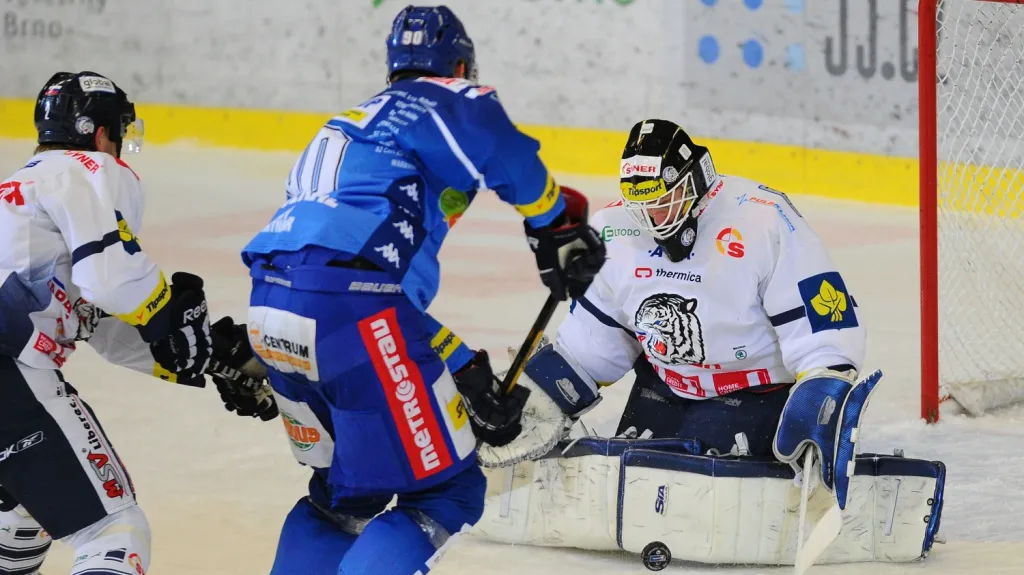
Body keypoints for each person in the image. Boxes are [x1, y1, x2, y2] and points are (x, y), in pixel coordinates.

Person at [474, 119, 945, 568]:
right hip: (665, 385)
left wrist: (821, 393)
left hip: (754, 392)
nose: (652, 214)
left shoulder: (762, 219)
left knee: (695, 485)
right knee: (643, 475)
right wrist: (544, 395)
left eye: (663, 199)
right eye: (642, 202)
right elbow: (597, 337)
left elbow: (823, 317)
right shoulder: (616, 229)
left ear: (694, 179)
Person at [240, 5, 605, 575]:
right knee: (445, 493)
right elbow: (503, 148)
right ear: (458, 65)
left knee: (343, 495)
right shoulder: (445, 96)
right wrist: (555, 224)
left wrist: (462, 365)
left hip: (270, 309)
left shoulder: (346, 127)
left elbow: (353, 288)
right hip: (348, 315)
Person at [0, 71, 275, 575]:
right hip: (7, 373)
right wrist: (172, 313)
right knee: (113, 531)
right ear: (100, 132)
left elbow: (101, 322)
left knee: (22, 512)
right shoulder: (90, 170)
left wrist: (205, 354)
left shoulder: (20, 193)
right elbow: (114, 282)